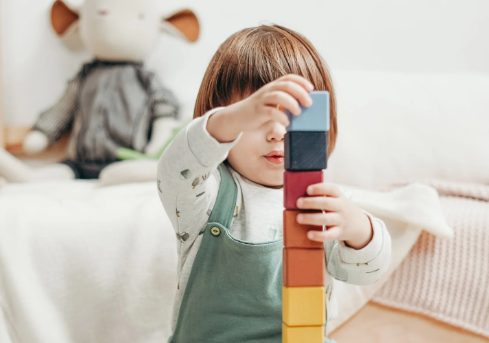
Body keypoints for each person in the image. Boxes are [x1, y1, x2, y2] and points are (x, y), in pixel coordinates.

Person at [157, 24, 391, 343]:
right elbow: (175, 170)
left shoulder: (323, 202)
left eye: (294, 118)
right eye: (258, 119)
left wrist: (358, 229)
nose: (277, 133)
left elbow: (365, 272)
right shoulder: (206, 194)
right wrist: (232, 119)